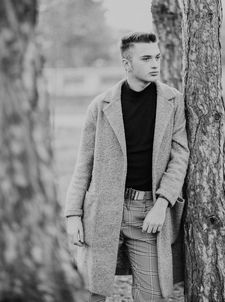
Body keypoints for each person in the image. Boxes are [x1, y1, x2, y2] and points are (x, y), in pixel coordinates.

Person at [64, 32, 190, 302]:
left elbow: (180, 156)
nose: (155, 64)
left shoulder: (173, 101)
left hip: (147, 213)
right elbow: (83, 164)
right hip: (102, 211)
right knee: (92, 291)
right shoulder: (100, 106)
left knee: (153, 295)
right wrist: (73, 214)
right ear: (127, 64)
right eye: (146, 58)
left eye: (157, 57)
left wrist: (161, 204)